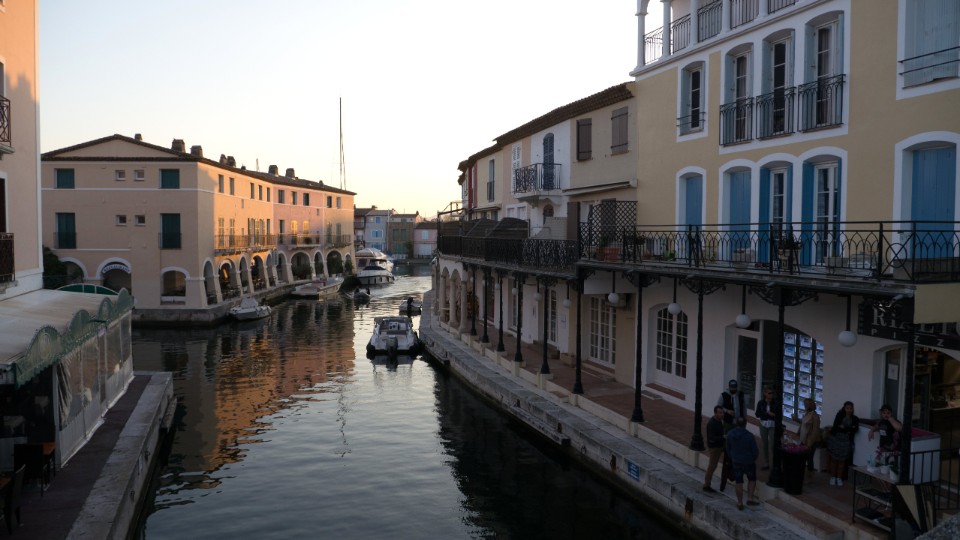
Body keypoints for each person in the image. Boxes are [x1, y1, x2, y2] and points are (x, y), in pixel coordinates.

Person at [725, 416, 760, 510]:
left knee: (739, 481)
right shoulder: (749, 436)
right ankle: (750, 498)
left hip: (736, 461)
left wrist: (732, 457)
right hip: (748, 461)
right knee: (752, 479)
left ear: (736, 423)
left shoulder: (730, 434)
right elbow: (755, 451)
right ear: (745, 424)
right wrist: (752, 458)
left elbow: (728, 448)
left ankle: (740, 502)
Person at [826, 401, 860, 487]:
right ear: (844, 408)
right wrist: (848, 428)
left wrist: (845, 428)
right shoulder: (839, 416)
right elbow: (836, 427)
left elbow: (855, 429)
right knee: (834, 459)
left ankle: (839, 477)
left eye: (851, 408)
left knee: (842, 460)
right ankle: (833, 477)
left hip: (846, 442)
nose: (849, 410)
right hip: (836, 440)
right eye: (847, 408)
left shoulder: (855, 418)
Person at [794, 398, 821, 472]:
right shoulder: (807, 414)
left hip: (810, 440)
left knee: (809, 458)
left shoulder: (815, 416)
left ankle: (810, 473)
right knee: (804, 457)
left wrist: (809, 444)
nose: (804, 406)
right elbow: (804, 423)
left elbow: (815, 431)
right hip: (804, 439)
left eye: (806, 404)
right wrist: (796, 419)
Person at [703, 406, 725, 493]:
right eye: (720, 413)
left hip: (719, 446)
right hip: (714, 447)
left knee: (713, 465)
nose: (722, 414)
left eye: (722, 412)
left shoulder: (719, 421)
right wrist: (723, 437)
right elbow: (712, 438)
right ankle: (706, 485)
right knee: (712, 466)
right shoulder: (712, 423)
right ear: (715, 413)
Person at [755, 387, 778, 470]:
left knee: (772, 444)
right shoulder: (761, 403)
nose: (771, 395)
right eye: (769, 393)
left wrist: (773, 415)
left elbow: (779, 414)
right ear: (765, 394)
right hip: (763, 424)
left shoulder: (775, 403)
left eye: (772, 393)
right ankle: (766, 463)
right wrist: (766, 413)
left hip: (772, 425)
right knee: (765, 444)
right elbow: (757, 414)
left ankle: (775, 463)